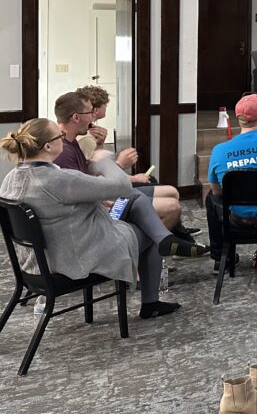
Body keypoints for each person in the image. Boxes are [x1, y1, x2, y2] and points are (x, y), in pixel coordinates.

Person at [0, 119, 206, 319]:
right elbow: (122, 186)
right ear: (47, 146)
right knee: (148, 229)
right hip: (72, 259)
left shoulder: (11, 179)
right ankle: (151, 298)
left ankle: (165, 240)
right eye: (59, 136)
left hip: (36, 263)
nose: (63, 138)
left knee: (135, 200)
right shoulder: (58, 179)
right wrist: (105, 162)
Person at [52, 91, 192, 237]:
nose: (92, 116)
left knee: (171, 192)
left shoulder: (71, 142)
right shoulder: (64, 151)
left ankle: (167, 239)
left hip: (101, 199)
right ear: (76, 117)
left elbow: (88, 176)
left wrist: (100, 150)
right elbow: (82, 194)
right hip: (97, 212)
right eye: (89, 112)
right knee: (171, 207)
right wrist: (118, 165)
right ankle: (145, 244)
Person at [205, 94, 257, 271]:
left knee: (210, 198)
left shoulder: (220, 151)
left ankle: (221, 257)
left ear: (238, 118)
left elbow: (217, 192)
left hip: (238, 219)